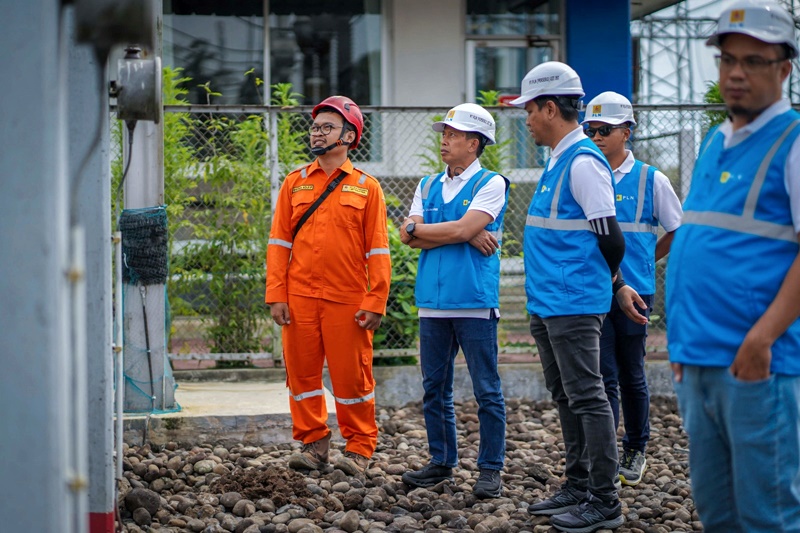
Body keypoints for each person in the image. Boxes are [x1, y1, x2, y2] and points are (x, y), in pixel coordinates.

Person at [666, 1, 800, 531]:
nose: (736, 73)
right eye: (727, 61)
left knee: (768, 516)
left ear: (784, 69)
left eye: (754, 61)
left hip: (757, 367)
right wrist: (682, 344)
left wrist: (761, 340)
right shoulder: (715, 142)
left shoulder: (792, 143)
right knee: (718, 512)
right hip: (698, 360)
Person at [512, 61, 627, 533]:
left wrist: (614, 284)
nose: (527, 119)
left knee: (587, 397)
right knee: (567, 395)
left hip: (574, 303)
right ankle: (578, 484)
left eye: (530, 110)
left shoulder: (581, 162)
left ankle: (604, 499)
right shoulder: (558, 159)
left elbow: (611, 237)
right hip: (549, 302)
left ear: (551, 107)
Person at [265, 95, 392, 476]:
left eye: (327, 127)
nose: (317, 133)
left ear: (349, 136)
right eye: (315, 126)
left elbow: (378, 250)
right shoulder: (294, 184)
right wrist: (277, 295)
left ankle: (359, 448)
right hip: (299, 299)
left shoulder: (368, 188)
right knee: (301, 375)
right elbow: (278, 244)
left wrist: (375, 300)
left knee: (352, 377)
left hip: (348, 300)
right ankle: (312, 443)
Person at [397, 103, 509, 499]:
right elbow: (405, 236)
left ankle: (490, 468)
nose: (444, 140)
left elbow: (434, 229)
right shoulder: (428, 184)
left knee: (487, 390)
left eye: (453, 134)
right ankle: (441, 462)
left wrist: (433, 228)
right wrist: (461, 232)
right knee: (434, 388)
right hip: (432, 303)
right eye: (444, 132)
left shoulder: (492, 183)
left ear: (474, 143)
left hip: (474, 303)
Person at [582, 91, 683, 487]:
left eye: (604, 130)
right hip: (593, 289)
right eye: (591, 130)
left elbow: (678, 229)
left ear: (627, 131)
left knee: (631, 373)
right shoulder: (586, 172)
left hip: (635, 291)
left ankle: (636, 446)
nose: (596, 137)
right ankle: (603, 453)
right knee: (602, 374)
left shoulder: (651, 179)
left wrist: (645, 262)